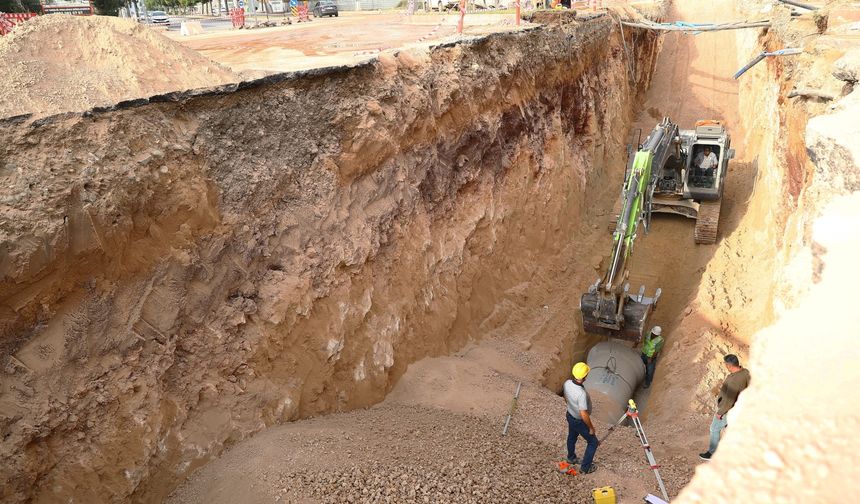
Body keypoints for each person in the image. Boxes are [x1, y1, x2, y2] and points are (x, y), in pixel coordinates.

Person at [699, 354, 751, 460]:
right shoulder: (745, 372)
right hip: (739, 408)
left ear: (729, 365)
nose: (725, 366)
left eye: (726, 365)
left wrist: (721, 412)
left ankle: (712, 453)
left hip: (728, 409)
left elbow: (729, 399)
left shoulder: (735, 380)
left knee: (714, 428)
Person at [563, 362, 599, 474]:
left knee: (572, 436)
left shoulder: (567, 383)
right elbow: (583, 414)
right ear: (584, 377)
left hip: (570, 415)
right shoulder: (581, 394)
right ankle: (585, 468)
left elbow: (565, 396)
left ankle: (571, 457)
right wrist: (591, 428)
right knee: (593, 442)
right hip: (578, 420)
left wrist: (571, 406)